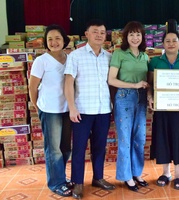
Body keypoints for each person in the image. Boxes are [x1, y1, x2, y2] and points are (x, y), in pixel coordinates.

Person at [64, 19, 115, 199]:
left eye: (102, 32)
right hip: (82, 111)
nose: (99, 35)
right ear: (86, 34)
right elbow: (68, 83)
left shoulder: (109, 57)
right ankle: (77, 182)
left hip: (103, 110)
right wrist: (72, 107)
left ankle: (98, 178)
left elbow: (112, 84)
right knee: (79, 148)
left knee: (99, 147)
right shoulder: (75, 56)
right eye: (95, 31)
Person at [147, 27, 179, 190]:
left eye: (174, 40)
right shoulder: (155, 61)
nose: (171, 44)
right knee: (162, 137)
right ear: (162, 44)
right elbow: (150, 84)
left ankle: (178, 174)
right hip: (162, 109)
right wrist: (150, 96)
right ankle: (165, 173)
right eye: (167, 41)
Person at [28, 24, 72, 197]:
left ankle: (60, 177)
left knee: (66, 148)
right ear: (46, 43)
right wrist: (37, 106)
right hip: (50, 111)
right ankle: (56, 183)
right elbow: (32, 87)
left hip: (67, 109)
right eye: (50, 39)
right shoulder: (41, 61)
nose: (54, 42)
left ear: (64, 40)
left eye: (57, 38)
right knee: (53, 149)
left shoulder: (70, 58)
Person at [108, 21, 149, 192]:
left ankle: (137, 173)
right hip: (124, 98)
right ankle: (126, 176)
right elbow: (111, 80)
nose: (135, 37)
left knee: (139, 138)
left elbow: (151, 80)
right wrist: (134, 85)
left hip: (142, 99)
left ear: (142, 36)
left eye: (138, 34)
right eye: (131, 34)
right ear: (126, 36)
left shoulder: (145, 56)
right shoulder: (119, 54)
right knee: (125, 138)